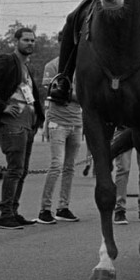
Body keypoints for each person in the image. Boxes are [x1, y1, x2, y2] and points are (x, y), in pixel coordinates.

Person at [0, 27, 45, 230]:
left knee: (22, 170)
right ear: (16, 41)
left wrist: (37, 120)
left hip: (27, 125)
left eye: (33, 40)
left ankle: (14, 211)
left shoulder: (26, 67)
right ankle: (5, 213)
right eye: (26, 40)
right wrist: (2, 106)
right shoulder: (7, 60)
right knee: (15, 169)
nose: (30, 43)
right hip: (12, 125)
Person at [36, 55, 81, 224]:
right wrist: (81, 95)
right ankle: (44, 209)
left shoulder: (83, 63)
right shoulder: (53, 65)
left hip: (76, 121)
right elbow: (56, 93)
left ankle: (63, 207)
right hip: (58, 122)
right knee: (57, 165)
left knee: (70, 167)